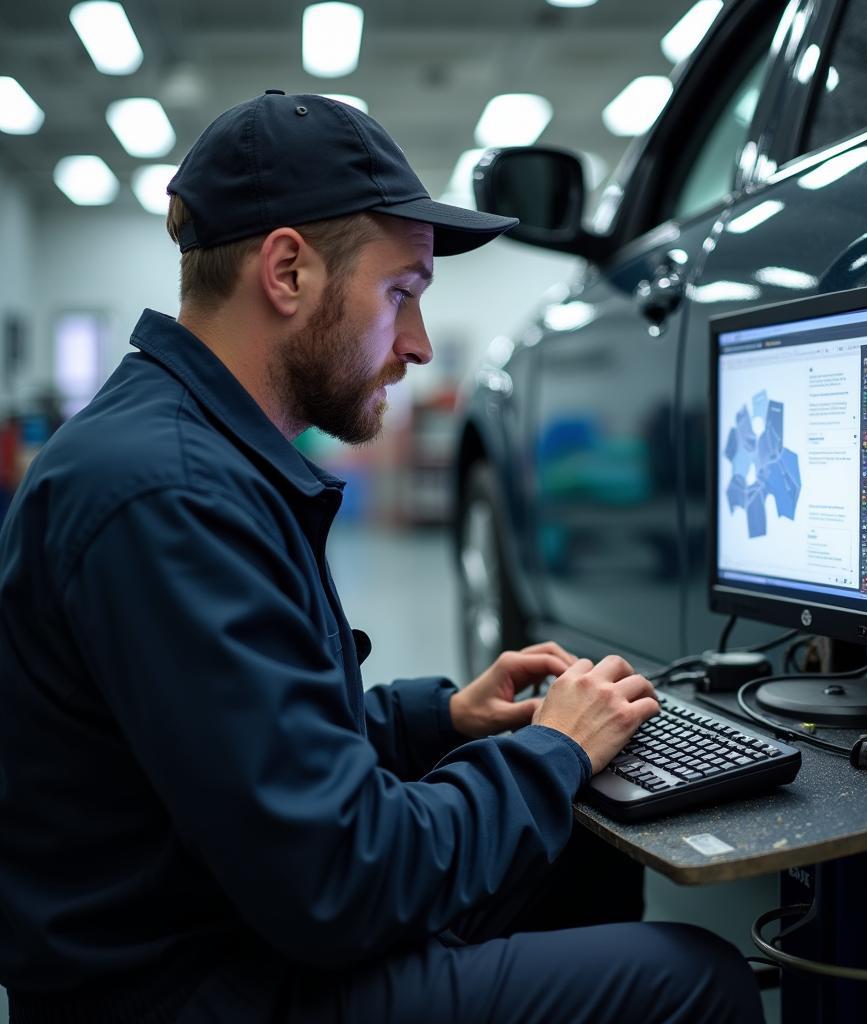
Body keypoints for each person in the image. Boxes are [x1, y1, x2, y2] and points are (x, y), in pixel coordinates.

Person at [0, 92, 764, 1024]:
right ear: (288, 272)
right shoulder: (172, 496)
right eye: (401, 293)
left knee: (576, 850)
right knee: (692, 979)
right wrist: (553, 751)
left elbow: (245, 748)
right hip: (192, 988)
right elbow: (338, 883)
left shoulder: (190, 456)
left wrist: (437, 720)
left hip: (226, 928)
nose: (418, 345)